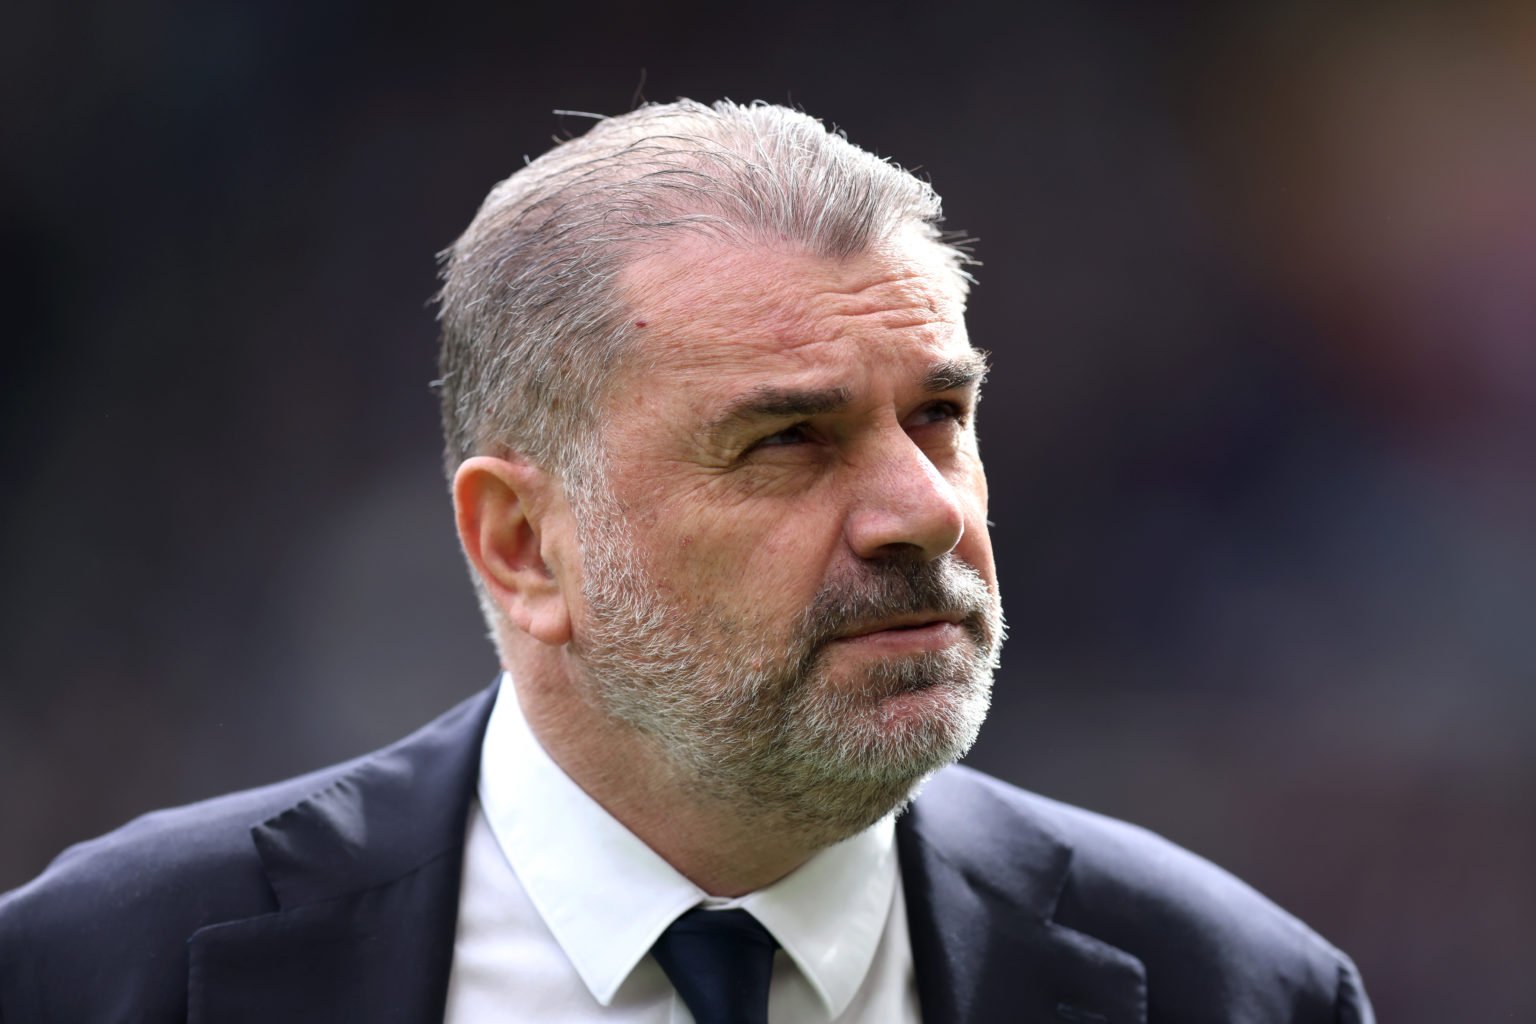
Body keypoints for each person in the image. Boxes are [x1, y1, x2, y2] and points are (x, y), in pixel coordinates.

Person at [0, 100, 1373, 1023]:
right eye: (786, 439)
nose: (922, 511)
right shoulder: (109, 973)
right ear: (522, 545)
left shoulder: (1231, 988)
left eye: (940, 417)